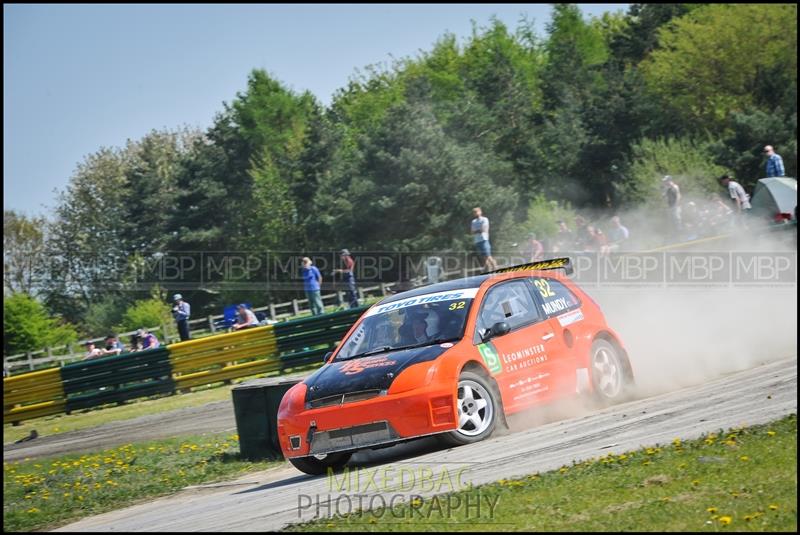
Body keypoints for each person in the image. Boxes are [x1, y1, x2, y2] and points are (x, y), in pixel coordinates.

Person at [471, 207, 497, 271]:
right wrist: (478, 230)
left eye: (477, 211)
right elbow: (472, 231)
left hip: (484, 239)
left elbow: (484, 229)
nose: (476, 213)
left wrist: (477, 231)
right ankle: (489, 270)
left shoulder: (484, 219)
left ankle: (495, 268)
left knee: (488, 255)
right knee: (484, 257)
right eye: (474, 212)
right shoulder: (473, 221)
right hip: (477, 241)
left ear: (480, 212)